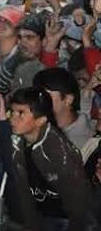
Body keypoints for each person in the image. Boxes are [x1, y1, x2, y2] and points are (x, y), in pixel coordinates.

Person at [8, 87, 95, 231]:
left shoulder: (57, 151)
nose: (13, 118)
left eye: (21, 113)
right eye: (12, 112)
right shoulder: (18, 143)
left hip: (64, 220)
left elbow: (78, 202)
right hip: (41, 215)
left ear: (41, 120)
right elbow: (24, 193)